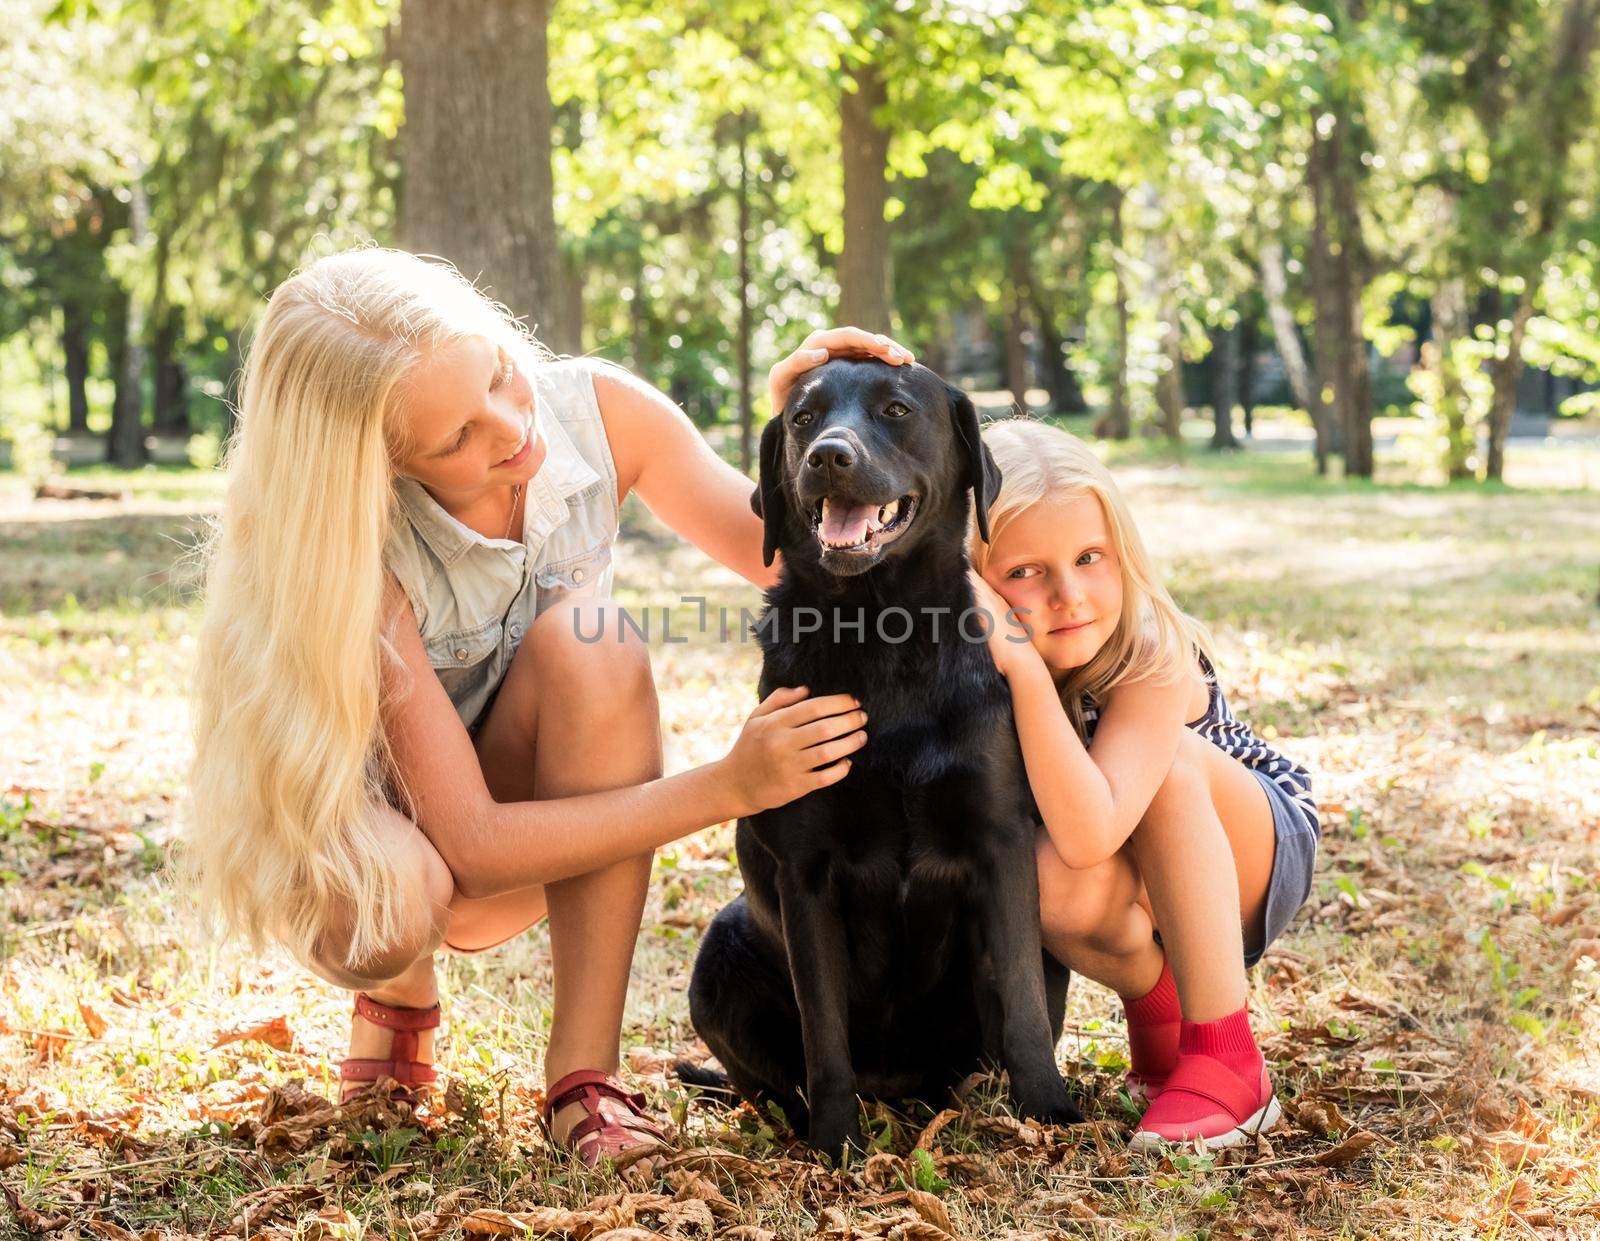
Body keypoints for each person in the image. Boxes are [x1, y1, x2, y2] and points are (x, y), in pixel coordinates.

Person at [184, 245, 912, 1166]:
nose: (510, 425)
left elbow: (791, 557)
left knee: (592, 639)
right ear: (384, 464)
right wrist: (731, 785)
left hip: (529, 793)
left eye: (496, 372)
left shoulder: (598, 412)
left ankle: (583, 1077)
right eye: (455, 438)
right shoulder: (353, 549)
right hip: (403, 841)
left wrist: (809, 422)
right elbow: (476, 849)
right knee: (396, 905)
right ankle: (399, 991)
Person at [966, 418, 1319, 1150]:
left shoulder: (1151, 651)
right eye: (1024, 572)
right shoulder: (971, 665)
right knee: (1034, 870)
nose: (1069, 594)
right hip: (1122, 853)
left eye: (1090, 557)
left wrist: (1027, 670)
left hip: (1256, 846)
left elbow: (1095, 828)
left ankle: (1230, 1059)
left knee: (1165, 771)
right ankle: (1163, 1028)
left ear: (1122, 554)